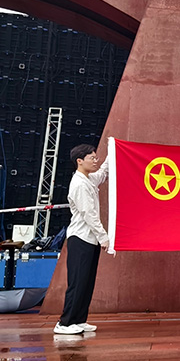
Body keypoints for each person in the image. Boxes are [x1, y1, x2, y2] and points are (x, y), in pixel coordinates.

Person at [55, 144, 109, 335]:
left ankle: (79, 319)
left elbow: (102, 174)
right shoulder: (78, 183)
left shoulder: (88, 179)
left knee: (87, 281)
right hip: (80, 238)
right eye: (92, 158)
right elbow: (89, 214)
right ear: (80, 161)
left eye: (96, 157)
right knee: (77, 282)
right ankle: (65, 323)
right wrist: (104, 237)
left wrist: (113, 151)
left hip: (90, 239)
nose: (96, 161)